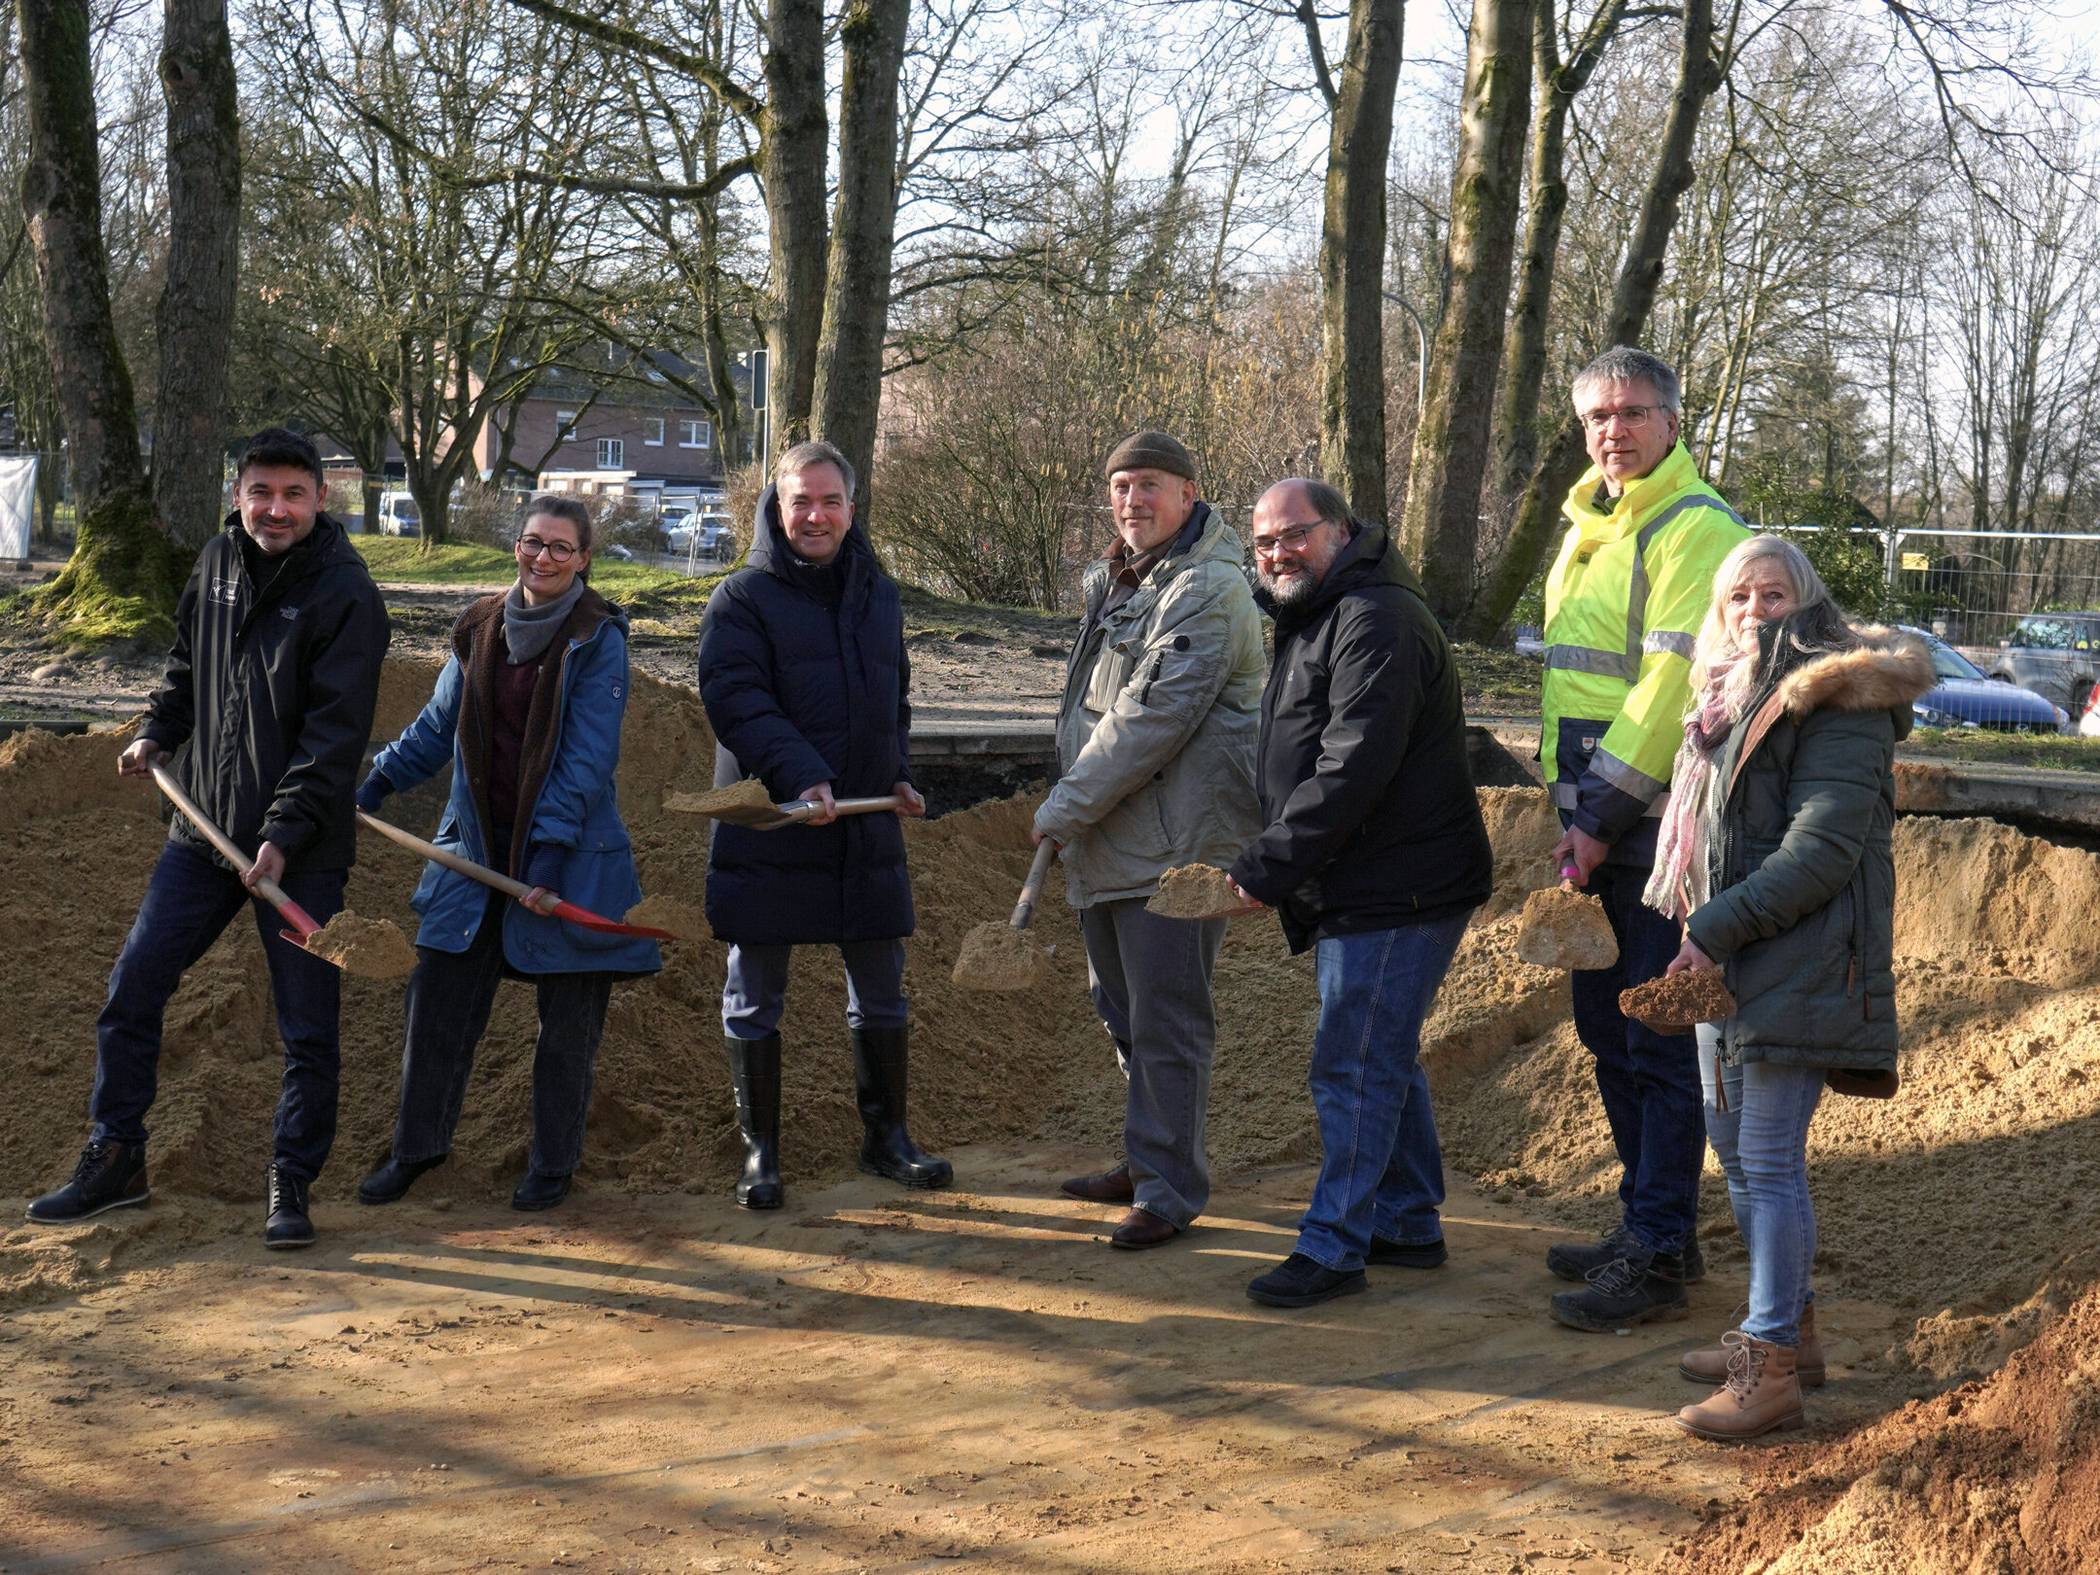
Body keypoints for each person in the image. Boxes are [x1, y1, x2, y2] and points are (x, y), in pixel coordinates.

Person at [26, 427, 390, 1247]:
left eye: (294, 494)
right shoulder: (217, 564)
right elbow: (188, 668)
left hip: (297, 855)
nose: (276, 509)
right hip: (202, 837)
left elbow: (333, 740)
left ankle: (289, 1185)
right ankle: (116, 1158)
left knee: (308, 1030)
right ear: (238, 493)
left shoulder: (346, 595)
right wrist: (158, 728)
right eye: (261, 491)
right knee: (133, 991)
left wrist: (283, 835)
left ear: (320, 500)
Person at [1650, 539, 1928, 1440]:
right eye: (1739, 594)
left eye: (1776, 593)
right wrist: (1709, 930)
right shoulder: (1729, 701)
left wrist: (1714, 927)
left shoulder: (1838, 701)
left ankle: (1766, 1368)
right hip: (1733, 953)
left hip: (1800, 957)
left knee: (1767, 1158)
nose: (1756, 609)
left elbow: (1821, 850)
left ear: (1807, 606)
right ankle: (1792, 1329)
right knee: (1733, 1143)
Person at [1223, 480, 1493, 1307]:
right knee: (1380, 1050)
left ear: (1341, 531)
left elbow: (1353, 766)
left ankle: (1335, 1244)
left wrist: (1267, 867)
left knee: (1352, 1059)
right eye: (1264, 544)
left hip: (1400, 886)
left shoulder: (1376, 618)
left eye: (1294, 536)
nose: (1277, 554)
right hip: (1365, 877)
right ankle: (1407, 1216)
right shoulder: (1319, 614)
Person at [353, 495, 660, 1213]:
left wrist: (548, 858)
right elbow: (438, 726)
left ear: (584, 558)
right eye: (532, 542)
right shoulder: (479, 626)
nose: (544, 558)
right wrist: (380, 779)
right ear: (515, 547)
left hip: (571, 859)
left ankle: (553, 1164)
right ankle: (416, 1149)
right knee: (437, 1002)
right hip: (474, 855)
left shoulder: (598, 638)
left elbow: (586, 761)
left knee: (568, 1028)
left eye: (561, 547)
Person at [1540, 347, 1750, 1332]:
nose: (1612, 432)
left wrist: (1593, 818)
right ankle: (1647, 1224)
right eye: (1595, 418)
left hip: (1653, 829)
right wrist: (1567, 811)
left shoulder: (1693, 529)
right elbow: (1571, 689)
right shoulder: (1589, 526)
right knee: (1606, 1035)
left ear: (1672, 422)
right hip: (1594, 820)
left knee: (1654, 1038)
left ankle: (1660, 1251)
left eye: (1631, 413)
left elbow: (1667, 692)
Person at [696, 440, 948, 1209]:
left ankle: (886, 1138)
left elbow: (891, 696)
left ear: (851, 506)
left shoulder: (880, 593)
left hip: (862, 823)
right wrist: (802, 773)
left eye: (830, 500)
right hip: (773, 819)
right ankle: (760, 1153)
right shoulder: (740, 599)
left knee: (881, 990)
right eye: (800, 500)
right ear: (777, 506)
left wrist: (898, 768)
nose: (815, 515)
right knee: (756, 990)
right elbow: (736, 698)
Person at [1034, 430, 1263, 1250]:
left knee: (1167, 1019)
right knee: (1122, 1011)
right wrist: (1079, 811)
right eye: (1122, 486)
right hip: (1112, 835)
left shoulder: (1209, 590)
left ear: (1189, 497)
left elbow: (1150, 720)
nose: (1133, 501)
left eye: (1152, 486)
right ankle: (1147, 1156)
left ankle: (1169, 1188)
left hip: (1177, 850)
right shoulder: (1116, 582)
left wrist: (1065, 804)